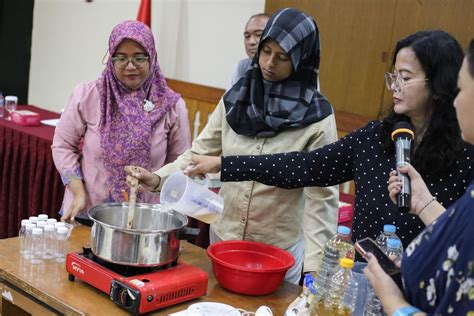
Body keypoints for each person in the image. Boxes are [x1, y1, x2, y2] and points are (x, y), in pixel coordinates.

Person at [184, 30, 474, 249]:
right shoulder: (375, 137)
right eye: (393, 76)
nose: (395, 87)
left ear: (439, 84)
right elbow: (304, 166)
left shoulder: (466, 156)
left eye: (406, 77)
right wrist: (224, 165)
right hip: (362, 278)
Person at [126, 8, 339, 284]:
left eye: (283, 57)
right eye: (266, 51)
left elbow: (321, 198)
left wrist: (315, 268)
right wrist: (157, 179)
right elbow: (198, 154)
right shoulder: (236, 98)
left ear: (301, 59)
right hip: (224, 239)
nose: (269, 63)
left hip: (277, 251)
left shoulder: (317, 117)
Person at [363, 38, 474, 316]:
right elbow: (458, 240)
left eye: (461, 89)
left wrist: (395, 303)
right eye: (394, 76)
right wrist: (424, 204)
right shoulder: (378, 135)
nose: (456, 99)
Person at [52, 20, 191, 225]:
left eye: (139, 58)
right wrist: (77, 191)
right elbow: (62, 145)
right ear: (110, 59)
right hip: (88, 209)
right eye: (121, 58)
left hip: (147, 218)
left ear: (152, 57)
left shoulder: (172, 106)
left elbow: (180, 163)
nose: (130, 66)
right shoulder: (88, 94)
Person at [227, 13, 269, 89]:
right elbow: (228, 100)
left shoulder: (282, 69)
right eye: (247, 36)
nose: (251, 41)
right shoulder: (241, 67)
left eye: (259, 34)